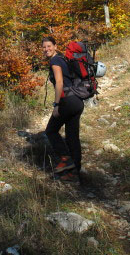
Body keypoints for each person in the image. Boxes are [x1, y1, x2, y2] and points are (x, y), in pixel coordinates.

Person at [42, 36, 85, 183]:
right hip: (77, 102)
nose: (46, 49)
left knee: (51, 131)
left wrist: (56, 105)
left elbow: (59, 83)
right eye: (44, 47)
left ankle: (66, 161)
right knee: (72, 137)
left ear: (55, 46)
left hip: (67, 101)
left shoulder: (55, 61)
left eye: (49, 46)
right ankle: (75, 174)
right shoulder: (63, 59)